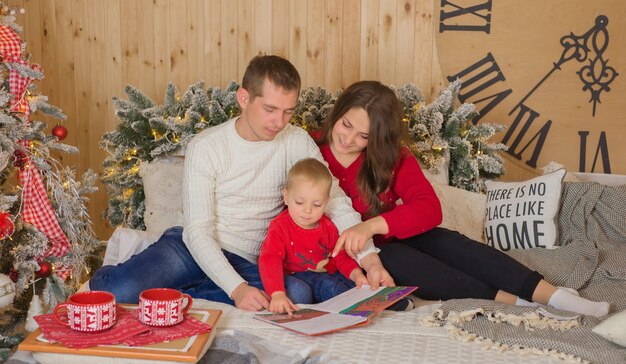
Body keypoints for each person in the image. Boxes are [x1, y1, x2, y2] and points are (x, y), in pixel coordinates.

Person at [89, 55, 392, 311]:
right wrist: (236, 291)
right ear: (244, 98)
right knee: (115, 291)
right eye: (270, 109)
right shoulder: (208, 146)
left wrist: (371, 261)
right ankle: (181, 281)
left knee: (297, 295)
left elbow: (336, 202)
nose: (279, 122)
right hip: (192, 247)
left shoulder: (296, 141)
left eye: (288, 111)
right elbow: (198, 232)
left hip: (250, 261)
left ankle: (184, 295)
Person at [318, 80, 610, 317]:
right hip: (365, 254)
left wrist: (371, 226)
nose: (348, 139)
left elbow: (430, 209)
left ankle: (555, 296)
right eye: (346, 125)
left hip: (391, 232)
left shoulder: (391, 158)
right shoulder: (311, 150)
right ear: (338, 113)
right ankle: (516, 303)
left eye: (363, 136)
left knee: (451, 244)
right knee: (405, 261)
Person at [259, 158, 365, 314]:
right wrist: (277, 294)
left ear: (326, 202)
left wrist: (356, 274)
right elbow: (270, 259)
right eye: (300, 202)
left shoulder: (327, 225)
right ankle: (355, 306)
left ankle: (383, 299)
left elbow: (340, 255)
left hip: (326, 271)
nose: (307, 211)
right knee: (326, 287)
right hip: (297, 275)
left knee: (353, 281)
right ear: (286, 197)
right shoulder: (280, 226)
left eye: (316, 205)